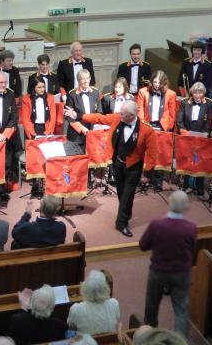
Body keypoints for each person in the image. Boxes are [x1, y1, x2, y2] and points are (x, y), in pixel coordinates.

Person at [65, 100, 157, 237]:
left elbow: (152, 153)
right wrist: (78, 115)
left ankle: (121, 223)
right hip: (118, 163)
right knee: (122, 193)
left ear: (132, 116)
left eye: (123, 113)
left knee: (128, 194)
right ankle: (126, 213)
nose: (120, 114)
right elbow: (99, 118)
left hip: (134, 167)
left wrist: (148, 173)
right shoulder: (117, 118)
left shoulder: (147, 130)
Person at [139, 191, 197, 339]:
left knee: (152, 305)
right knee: (181, 310)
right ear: (186, 206)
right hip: (182, 272)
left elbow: (143, 245)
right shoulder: (191, 228)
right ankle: (180, 341)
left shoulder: (156, 225)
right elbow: (192, 250)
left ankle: (150, 339)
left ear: (169, 203)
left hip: (158, 271)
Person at [136, 70, 177, 191]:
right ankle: (145, 180)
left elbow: (172, 113)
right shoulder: (143, 91)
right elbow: (139, 110)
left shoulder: (171, 94)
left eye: (159, 83)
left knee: (160, 154)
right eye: (155, 82)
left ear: (164, 83)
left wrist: (168, 127)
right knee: (146, 153)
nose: (157, 85)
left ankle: (158, 182)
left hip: (162, 126)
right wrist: (143, 124)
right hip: (147, 125)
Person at [176, 81, 212, 195]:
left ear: (204, 93)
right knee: (187, 160)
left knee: (200, 161)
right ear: (191, 93)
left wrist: (205, 133)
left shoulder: (209, 103)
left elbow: (209, 121)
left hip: (201, 137)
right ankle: (186, 184)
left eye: (200, 93)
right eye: (195, 92)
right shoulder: (184, 102)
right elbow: (179, 120)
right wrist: (184, 132)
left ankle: (199, 186)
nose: (197, 95)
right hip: (187, 136)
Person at [67, 270, 121, 336]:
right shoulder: (114, 303)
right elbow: (117, 320)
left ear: (85, 289)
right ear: (106, 288)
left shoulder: (76, 309)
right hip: (110, 340)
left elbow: (71, 327)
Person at [65, 69, 101, 148]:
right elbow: (69, 116)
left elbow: (99, 112)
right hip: (77, 135)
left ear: (90, 79)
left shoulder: (96, 92)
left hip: (93, 132)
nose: (86, 81)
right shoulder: (72, 94)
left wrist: (95, 129)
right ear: (78, 80)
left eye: (87, 78)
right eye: (83, 79)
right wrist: (82, 129)